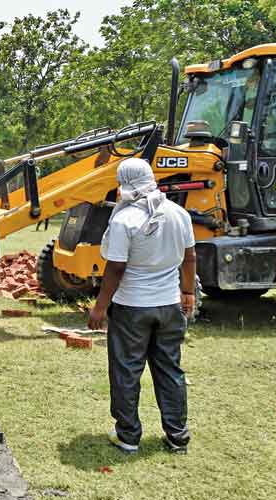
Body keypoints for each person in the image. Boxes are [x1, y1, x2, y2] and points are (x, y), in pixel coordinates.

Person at [87, 157, 196, 455]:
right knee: (170, 370)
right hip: (170, 307)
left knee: (126, 371)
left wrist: (99, 307)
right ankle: (177, 437)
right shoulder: (178, 213)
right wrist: (188, 292)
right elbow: (189, 257)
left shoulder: (124, 220)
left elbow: (116, 268)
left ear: (122, 183)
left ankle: (128, 436)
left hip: (132, 308)